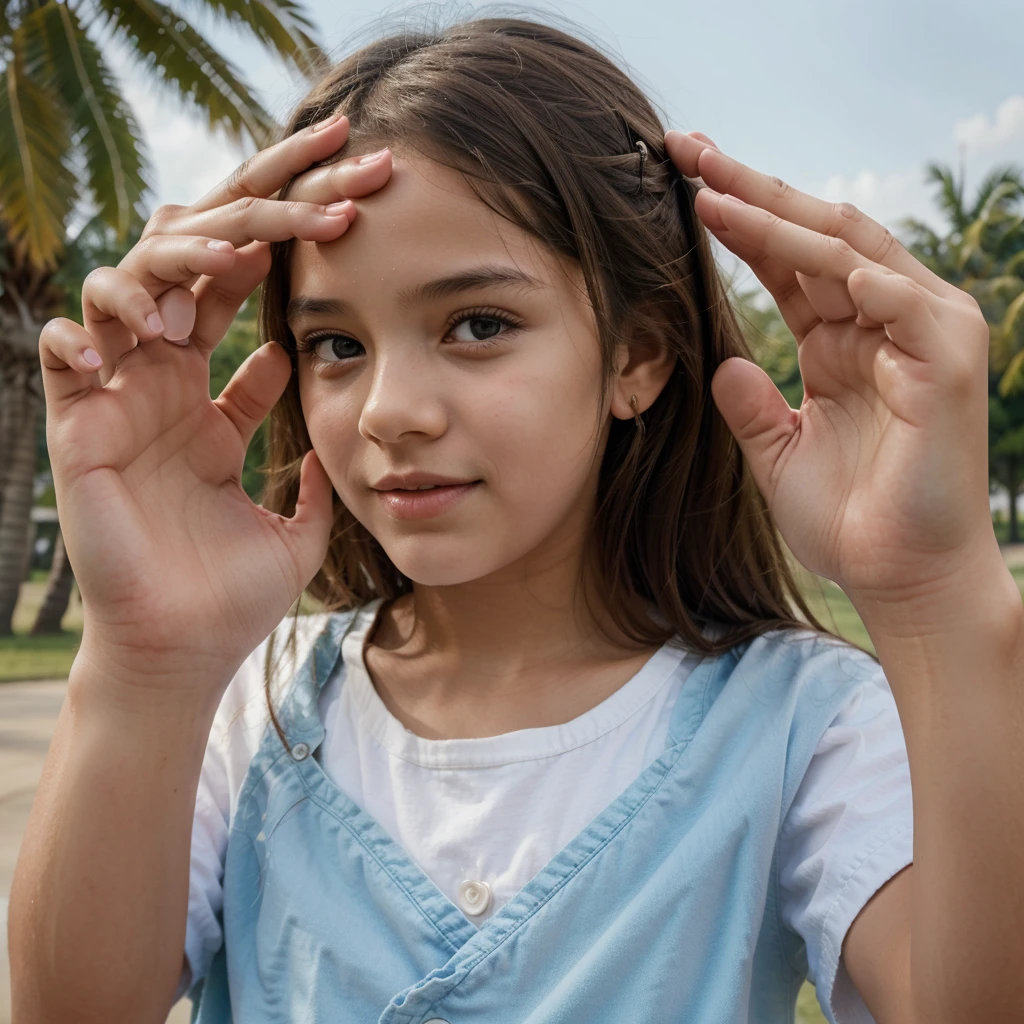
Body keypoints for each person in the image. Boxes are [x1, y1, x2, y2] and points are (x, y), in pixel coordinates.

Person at [10, 11, 1023, 1024]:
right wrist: (143, 658)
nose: (388, 410)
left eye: (478, 324)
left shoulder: (808, 728)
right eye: (335, 343)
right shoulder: (246, 712)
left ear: (637, 356)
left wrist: (936, 592)